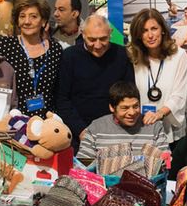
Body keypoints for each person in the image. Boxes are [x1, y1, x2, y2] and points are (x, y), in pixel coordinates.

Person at [55, 14, 135, 150]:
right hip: (78, 133)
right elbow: (62, 99)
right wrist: (81, 130)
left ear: (110, 34)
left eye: (103, 39)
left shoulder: (121, 55)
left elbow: (128, 94)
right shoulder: (70, 56)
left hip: (115, 132)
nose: (97, 45)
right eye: (92, 40)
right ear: (83, 34)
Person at [127, 8, 187, 147]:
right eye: (144, 30)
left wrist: (160, 113)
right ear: (138, 35)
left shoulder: (179, 55)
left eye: (154, 28)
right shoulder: (132, 57)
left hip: (171, 131)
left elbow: (179, 95)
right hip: (140, 129)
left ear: (162, 30)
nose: (150, 35)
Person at [0, 0, 62, 117]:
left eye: (33, 16)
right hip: (12, 119)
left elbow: (60, 90)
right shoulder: (3, 46)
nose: (27, 21)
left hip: (47, 121)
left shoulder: (55, 50)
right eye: (22, 16)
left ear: (44, 21)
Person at [76, 81, 169, 159]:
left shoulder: (154, 127)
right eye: (125, 108)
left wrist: (166, 160)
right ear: (112, 107)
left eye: (135, 106)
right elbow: (83, 164)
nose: (132, 112)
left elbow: (167, 162)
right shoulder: (96, 128)